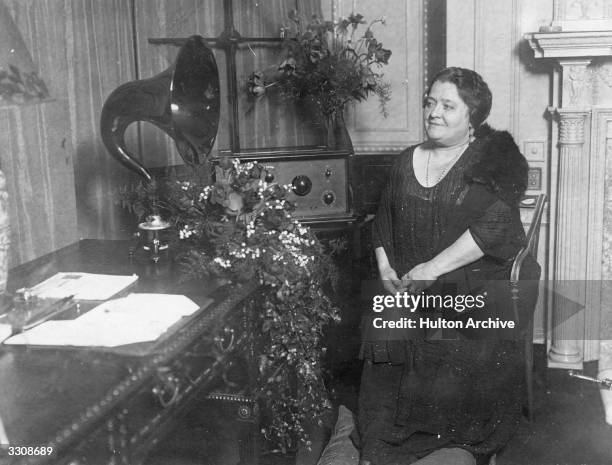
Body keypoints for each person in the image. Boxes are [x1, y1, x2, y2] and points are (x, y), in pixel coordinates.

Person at [354, 67, 538, 465]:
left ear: (473, 116)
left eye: (447, 105)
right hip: (405, 292)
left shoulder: (491, 162)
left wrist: (431, 269)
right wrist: (385, 268)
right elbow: (382, 220)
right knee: (384, 375)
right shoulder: (407, 160)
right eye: (430, 102)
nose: (434, 112)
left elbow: (495, 227)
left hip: (467, 290)